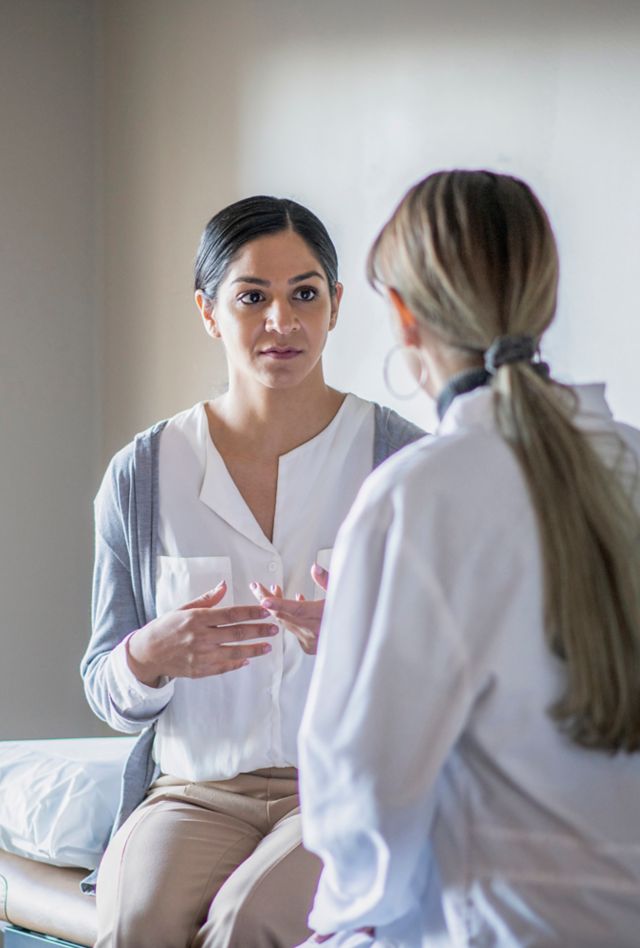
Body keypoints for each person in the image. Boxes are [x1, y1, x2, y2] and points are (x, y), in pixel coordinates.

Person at [296, 170, 640, 947]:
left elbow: (365, 794)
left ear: (401, 317)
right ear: (542, 300)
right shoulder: (632, 461)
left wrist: (341, 921)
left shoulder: (418, 496)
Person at [80, 194, 424, 948]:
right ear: (208, 311)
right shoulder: (142, 477)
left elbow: (457, 676)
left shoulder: (403, 464)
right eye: (252, 298)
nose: (282, 321)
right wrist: (148, 656)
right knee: (136, 924)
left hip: (342, 791)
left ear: (335, 305)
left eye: (305, 293)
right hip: (192, 794)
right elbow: (105, 681)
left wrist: (363, 644)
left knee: (246, 924)